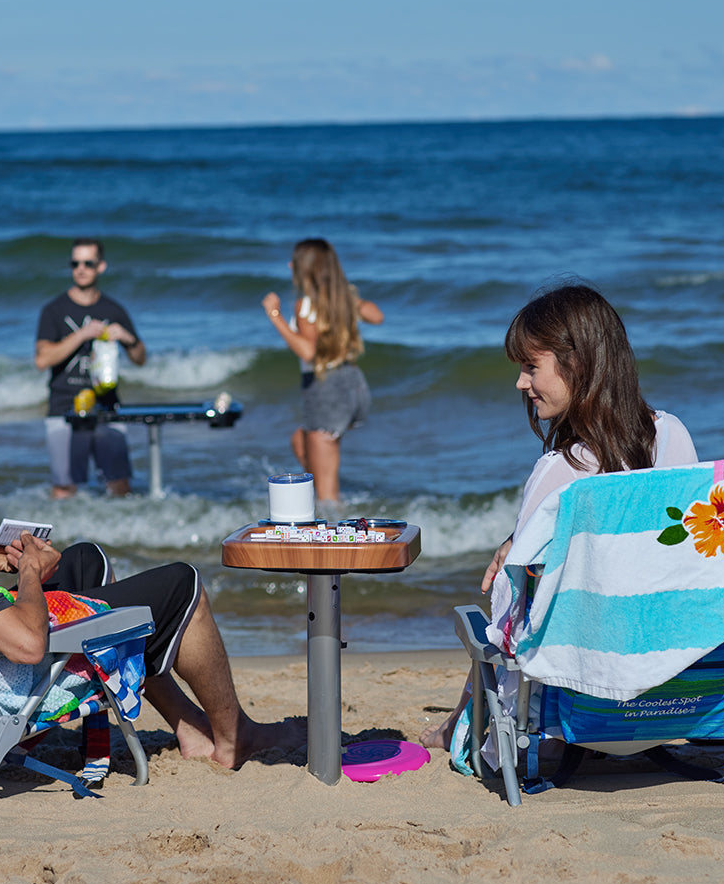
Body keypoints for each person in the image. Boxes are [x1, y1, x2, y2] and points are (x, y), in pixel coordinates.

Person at [0, 337, 292, 768]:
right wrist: (27, 570)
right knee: (182, 584)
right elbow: (26, 646)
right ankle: (233, 740)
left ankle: (188, 725)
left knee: (82, 560)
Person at [420, 283, 699, 749]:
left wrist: (517, 546)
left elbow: (515, 616)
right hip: (672, 701)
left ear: (578, 364)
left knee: (498, 621)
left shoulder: (561, 471)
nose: (521, 383)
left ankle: (456, 721)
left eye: (532, 366)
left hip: (574, 715)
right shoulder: (673, 436)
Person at [262, 238, 383, 510]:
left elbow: (308, 352)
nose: (289, 265)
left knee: (326, 491)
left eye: (294, 261)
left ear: (304, 269)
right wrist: (351, 304)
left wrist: (275, 316)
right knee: (300, 442)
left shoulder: (304, 306)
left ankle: (337, 535)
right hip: (353, 385)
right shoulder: (343, 300)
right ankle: (338, 511)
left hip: (325, 390)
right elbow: (377, 316)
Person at [35, 238, 146, 499]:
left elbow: (141, 358)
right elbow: (42, 359)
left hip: (106, 406)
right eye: (75, 263)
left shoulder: (114, 309)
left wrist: (128, 338)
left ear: (101, 266)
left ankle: (120, 538)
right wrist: (82, 334)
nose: (81, 268)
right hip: (63, 405)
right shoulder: (54, 310)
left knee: (120, 485)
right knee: (64, 488)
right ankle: (60, 539)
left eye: (88, 263)